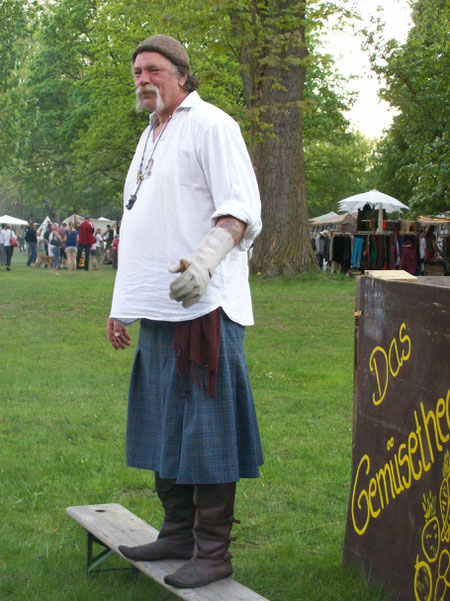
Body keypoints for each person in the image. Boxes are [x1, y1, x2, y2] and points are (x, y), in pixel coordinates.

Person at [106, 34, 263, 589]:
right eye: (136, 72)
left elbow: (241, 207)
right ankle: (176, 534)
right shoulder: (150, 136)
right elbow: (140, 227)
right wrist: (121, 306)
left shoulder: (211, 124)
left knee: (207, 430)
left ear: (181, 75)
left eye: (152, 70)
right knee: (164, 426)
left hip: (204, 307)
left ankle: (213, 552)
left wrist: (203, 263)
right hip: (156, 311)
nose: (143, 80)